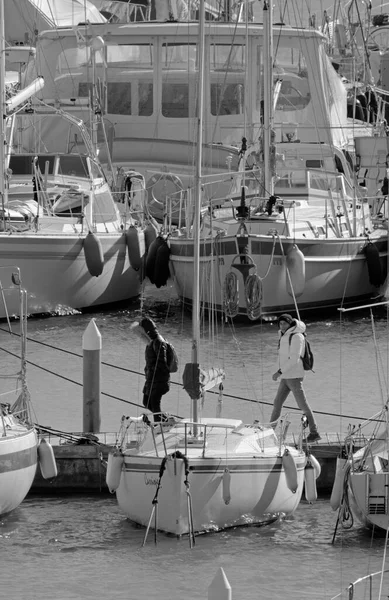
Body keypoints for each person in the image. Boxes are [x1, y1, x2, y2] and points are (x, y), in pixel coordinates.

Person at [270, 313, 321, 443]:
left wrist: (279, 372)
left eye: (284, 323)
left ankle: (314, 433)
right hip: (286, 377)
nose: (282, 326)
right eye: (280, 324)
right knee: (277, 403)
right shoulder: (284, 335)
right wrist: (279, 371)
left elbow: (294, 359)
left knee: (303, 405)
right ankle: (269, 432)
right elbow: (283, 357)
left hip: (294, 377)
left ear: (290, 323)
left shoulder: (297, 336)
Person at [134, 316, 171, 422]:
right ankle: (165, 420)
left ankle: (159, 425)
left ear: (147, 331)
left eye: (141, 332)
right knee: (146, 402)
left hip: (159, 379)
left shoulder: (159, 342)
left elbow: (162, 363)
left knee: (155, 403)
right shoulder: (151, 342)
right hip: (151, 379)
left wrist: (152, 370)